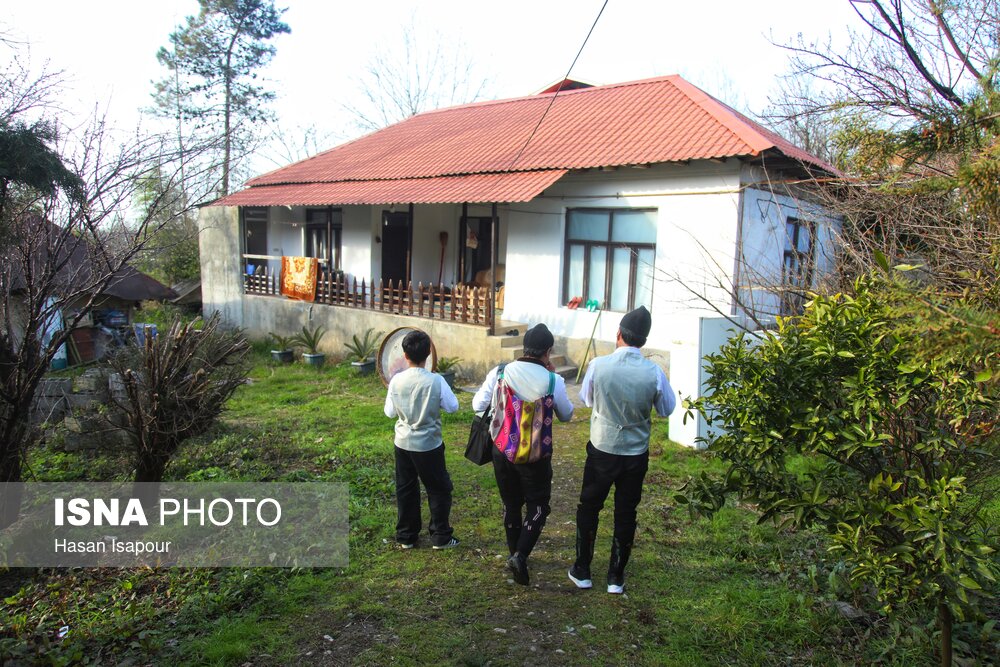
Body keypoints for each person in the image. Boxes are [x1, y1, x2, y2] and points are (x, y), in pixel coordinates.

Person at [568, 306, 676, 594]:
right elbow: (667, 409)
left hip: (602, 447)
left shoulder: (598, 365)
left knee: (589, 506)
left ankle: (582, 569)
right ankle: (616, 576)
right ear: (643, 340)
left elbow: (587, 400)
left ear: (619, 334)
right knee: (626, 511)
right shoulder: (654, 372)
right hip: (635, 453)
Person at [473, 323, 574, 585]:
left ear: (524, 347)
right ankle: (520, 555)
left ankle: (513, 553)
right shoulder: (553, 381)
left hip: (502, 450)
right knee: (538, 505)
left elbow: (477, 405)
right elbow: (567, 415)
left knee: (511, 503)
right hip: (536, 456)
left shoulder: (501, 372)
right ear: (548, 351)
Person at [383, 330, 460, 549]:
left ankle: (406, 537)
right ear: (428, 354)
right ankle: (440, 536)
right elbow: (453, 407)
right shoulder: (436, 380)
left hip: (403, 443)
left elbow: (389, 412)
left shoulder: (396, 380)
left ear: (405, 355)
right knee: (438, 488)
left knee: (406, 488)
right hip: (429, 444)